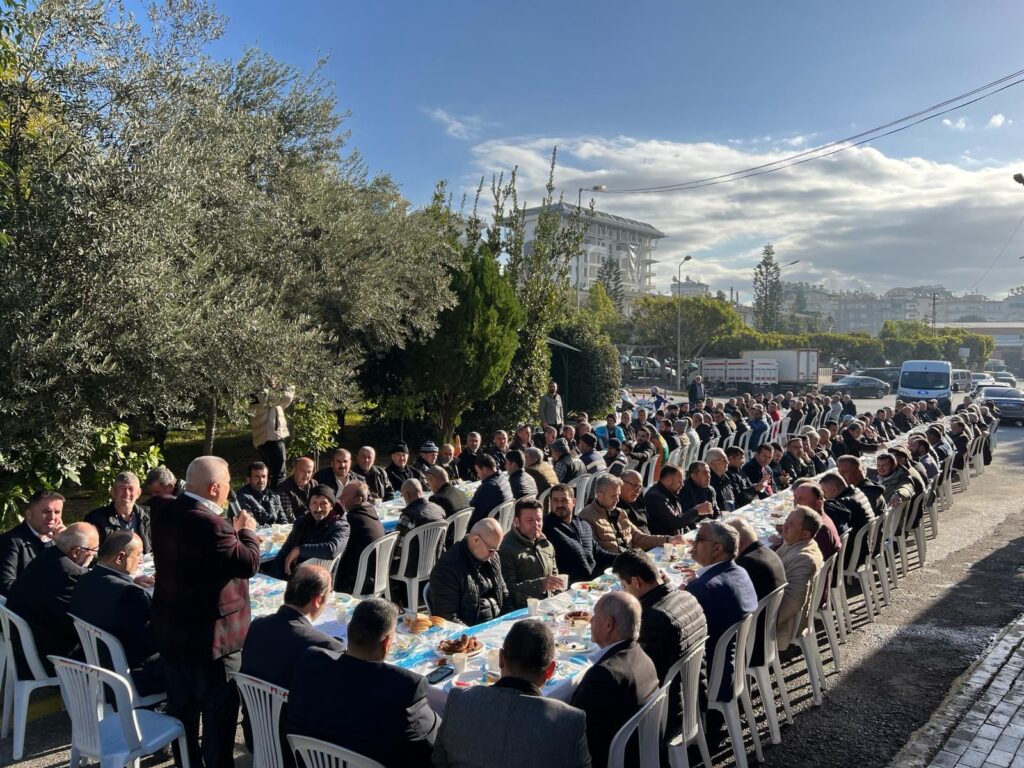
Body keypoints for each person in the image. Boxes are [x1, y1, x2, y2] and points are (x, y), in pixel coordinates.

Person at [149, 455, 262, 768]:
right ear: (214, 488)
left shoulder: (162, 509)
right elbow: (248, 563)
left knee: (182, 709)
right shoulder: (211, 525)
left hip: (172, 632)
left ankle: (187, 761)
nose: (229, 491)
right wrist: (246, 530)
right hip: (212, 640)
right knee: (219, 716)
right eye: (226, 485)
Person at [288, 599, 439, 767]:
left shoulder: (312, 663)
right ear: (387, 643)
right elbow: (434, 743)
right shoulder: (405, 686)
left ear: (349, 631)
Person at [434, 620, 590, 768]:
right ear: (550, 671)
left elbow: (439, 761)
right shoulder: (569, 722)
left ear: (501, 659)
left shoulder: (458, 700)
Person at [613, 549, 706, 737]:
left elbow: (642, 676)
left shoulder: (653, 618)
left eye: (624, 586)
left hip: (671, 711)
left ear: (636, 582)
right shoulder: (688, 596)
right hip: (697, 693)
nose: (624, 592)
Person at [684, 521, 757, 746]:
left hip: (712, 676)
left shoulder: (703, 589)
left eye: (699, 540)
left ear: (717, 549)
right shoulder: (740, 572)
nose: (692, 544)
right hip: (736, 663)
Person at [570, 592, 659, 768]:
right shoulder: (643, 657)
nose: (590, 621)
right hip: (643, 752)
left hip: (614, 759)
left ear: (609, 624)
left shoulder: (604, 675)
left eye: (595, 616)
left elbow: (572, 728)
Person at [69, 531, 163, 696]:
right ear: (120, 558)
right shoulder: (130, 594)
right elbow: (156, 640)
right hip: (132, 677)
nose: (141, 560)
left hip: (97, 667)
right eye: (139, 555)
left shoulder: (84, 580)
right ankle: (181, 718)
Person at [8, 523, 99, 676]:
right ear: (77, 551)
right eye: (94, 551)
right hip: (50, 658)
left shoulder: (49, 556)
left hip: (22, 647)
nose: (94, 556)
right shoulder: (70, 574)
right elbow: (81, 622)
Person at [241, 564, 342, 688]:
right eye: (329, 593)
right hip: (294, 707)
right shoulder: (326, 647)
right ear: (317, 600)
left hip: (253, 705)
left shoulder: (258, 624)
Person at [727, 517, 786, 668]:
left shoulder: (745, 567)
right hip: (767, 635)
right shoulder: (769, 552)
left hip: (750, 647)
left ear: (737, 543)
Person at [428, 518, 509, 625]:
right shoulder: (447, 569)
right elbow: (448, 619)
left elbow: (504, 593)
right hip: (471, 631)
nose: (493, 555)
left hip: (497, 623)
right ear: (476, 539)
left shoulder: (491, 557)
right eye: (491, 550)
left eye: (496, 550)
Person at [580, 475, 678, 553]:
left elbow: (639, 538)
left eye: (618, 495)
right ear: (599, 495)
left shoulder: (620, 512)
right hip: (611, 568)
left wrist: (667, 539)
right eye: (613, 496)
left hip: (630, 561)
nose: (617, 500)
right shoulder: (586, 517)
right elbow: (595, 552)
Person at [543, 484, 616, 585]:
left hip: (594, 584)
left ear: (573, 502)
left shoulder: (583, 524)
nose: (559, 505)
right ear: (550, 502)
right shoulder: (546, 528)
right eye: (555, 500)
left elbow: (598, 553)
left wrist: (623, 558)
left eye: (564, 500)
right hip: (570, 588)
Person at [0, 489, 67, 596]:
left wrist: (67, 545)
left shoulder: (61, 541)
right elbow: (6, 585)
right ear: (28, 514)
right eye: (46, 512)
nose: (52, 517)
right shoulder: (10, 542)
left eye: (57, 512)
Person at [274, 485, 350, 579]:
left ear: (331, 506)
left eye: (323, 503)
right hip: (292, 577)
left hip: (319, 580)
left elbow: (332, 550)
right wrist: (274, 578)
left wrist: (300, 550)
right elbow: (285, 551)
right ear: (309, 505)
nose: (318, 509)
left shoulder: (341, 526)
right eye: (314, 503)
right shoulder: (301, 523)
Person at [775, 506, 824, 651]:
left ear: (805, 534)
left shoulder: (803, 558)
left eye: (791, 524)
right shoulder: (798, 543)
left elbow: (792, 602)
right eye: (786, 520)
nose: (785, 525)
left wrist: (762, 623)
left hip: (784, 629)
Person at [499, 498, 561, 608]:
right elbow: (508, 591)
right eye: (530, 520)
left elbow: (554, 575)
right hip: (523, 610)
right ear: (516, 522)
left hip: (549, 606)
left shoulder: (545, 544)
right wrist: (541, 585)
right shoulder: (506, 549)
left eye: (539, 519)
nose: (536, 524)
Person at [84, 471, 153, 553]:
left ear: (138, 493)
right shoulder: (95, 519)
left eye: (131, 489)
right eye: (122, 488)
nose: (126, 493)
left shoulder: (151, 515)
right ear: (113, 492)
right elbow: (88, 552)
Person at [335, 482, 385, 594]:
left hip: (359, 581)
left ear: (358, 500)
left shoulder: (353, 521)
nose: (339, 498)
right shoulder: (371, 513)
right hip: (376, 576)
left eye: (344, 496)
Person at [393, 479, 446, 583]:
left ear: (407, 495)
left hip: (411, 567)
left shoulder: (408, 516)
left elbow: (396, 552)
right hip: (436, 560)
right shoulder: (439, 509)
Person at [249, 380, 294, 490]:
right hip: (271, 437)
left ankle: (268, 500)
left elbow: (287, 398)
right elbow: (284, 397)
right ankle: (277, 502)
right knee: (278, 475)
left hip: (267, 437)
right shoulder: (259, 391)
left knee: (270, 475)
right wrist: (276, 386)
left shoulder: (268, 396)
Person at [818, 471, 875, 546]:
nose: (823, 496)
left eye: (824, 492)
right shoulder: (856, 492)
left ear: (835, 490)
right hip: (870, 539)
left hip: (860, 548)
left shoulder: (844, 503)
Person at [236, 461, 288, 526]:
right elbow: (249, 523)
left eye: (264, 476)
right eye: (257, 477)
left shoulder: (274, 495)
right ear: (248, 479)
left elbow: (283, 521)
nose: (261, 481)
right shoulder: (241, 496)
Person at [468, 453, 513, 526]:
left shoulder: (488, 487)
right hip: (504, 522)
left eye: (478, 472)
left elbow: (473, 514)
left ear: (485, 470)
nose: (478, 475)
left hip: (490, 528)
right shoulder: (504, 478)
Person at [676, 461, 720, 531]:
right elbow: (683, 518)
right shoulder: (683, 490)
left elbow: (716, 512)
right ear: (693, 476)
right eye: (705, 473)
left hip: (709, 528)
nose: (709, 476)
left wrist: (718, 522)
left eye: (709, 472)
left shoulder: (710, 489)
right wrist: (698, 510)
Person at [643, 464, 685, 534]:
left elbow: (680, 520)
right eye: (679, 481)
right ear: (668, 480)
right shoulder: (655, 497)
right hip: (662, 542)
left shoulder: (672, 493)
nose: (682, 485)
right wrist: (697, 510)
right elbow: (674, 522)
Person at [277, 456, 317, 521]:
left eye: (309, 472)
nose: (306, 475)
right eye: (303, 471)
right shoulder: (284, 487)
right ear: (294, 470)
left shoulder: (314, 484)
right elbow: (289, 515)